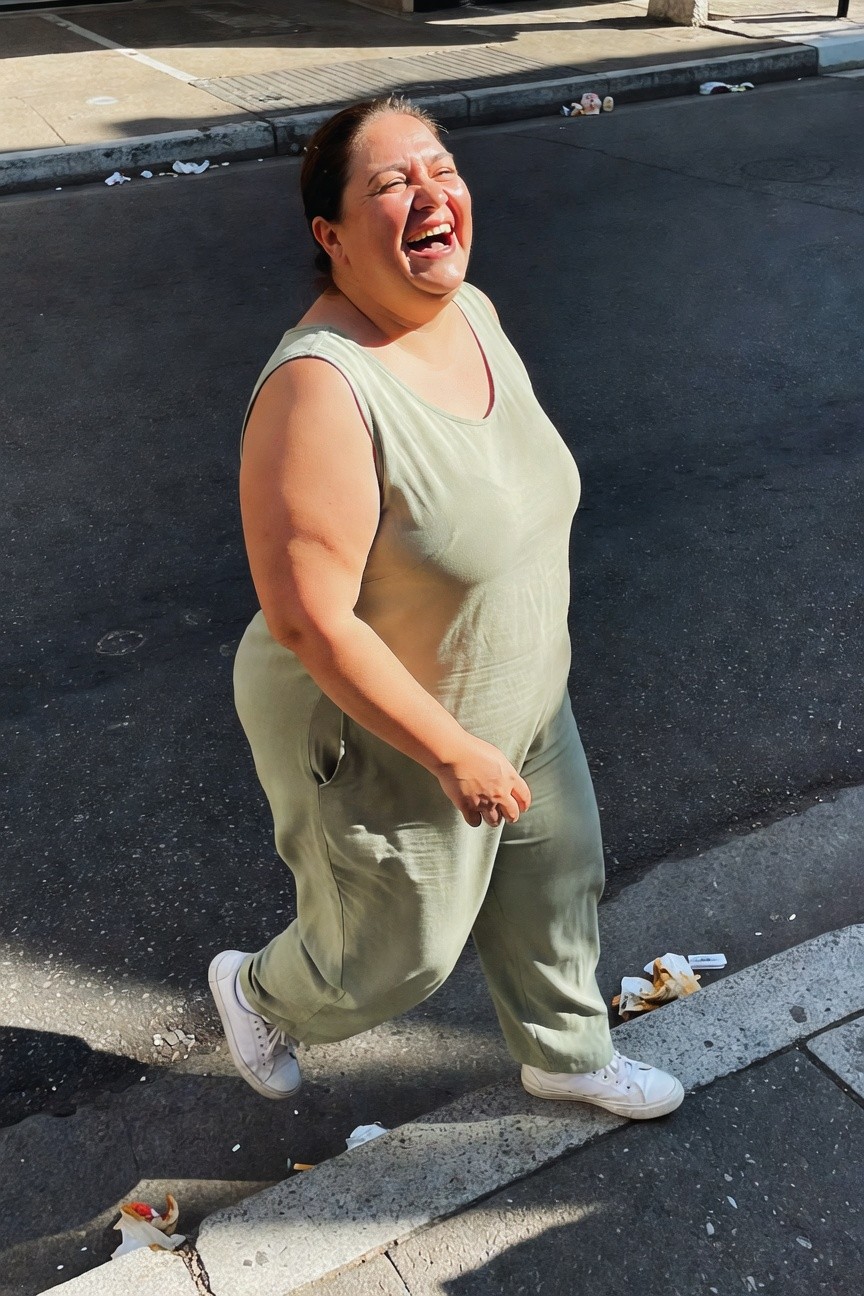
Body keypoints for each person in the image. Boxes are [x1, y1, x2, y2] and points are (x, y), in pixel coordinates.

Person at [209, 96, 683, 1121]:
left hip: (517, 690)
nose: (431, 194)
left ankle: (567, 1053)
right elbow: (310, 621)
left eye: (441, 168)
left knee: (557, 886)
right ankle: (255, 990)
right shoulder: (319, 390)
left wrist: (514, 700)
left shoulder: (470, 311)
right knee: (394, 962)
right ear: (330, 237)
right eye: (390, 183)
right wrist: (450, 750)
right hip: (379, 727)